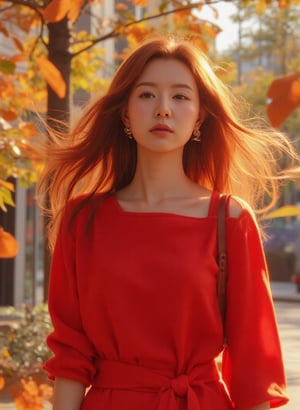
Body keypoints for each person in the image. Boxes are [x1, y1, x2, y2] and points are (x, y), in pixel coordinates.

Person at [38, 35, 298, 410]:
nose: (163, 109)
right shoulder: (83, 220)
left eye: (180, 96)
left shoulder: (230, 219)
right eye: (146, 95)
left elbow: (253, 365)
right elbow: (71, 351)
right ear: (125, 112)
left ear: (200, 116)